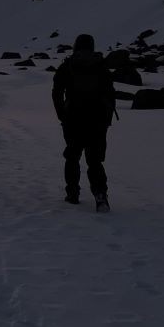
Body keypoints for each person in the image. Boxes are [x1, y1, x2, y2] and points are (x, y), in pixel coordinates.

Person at [51, 33, 117, 211]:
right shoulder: (100, 65)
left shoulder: (68, 65)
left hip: (73, 119)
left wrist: (62, 115)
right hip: (97, 121)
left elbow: (56, 92)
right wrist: (106, 120)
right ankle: (100, 195)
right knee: (95, 161)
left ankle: (72, 194)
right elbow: (110, 94)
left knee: (72, 157)